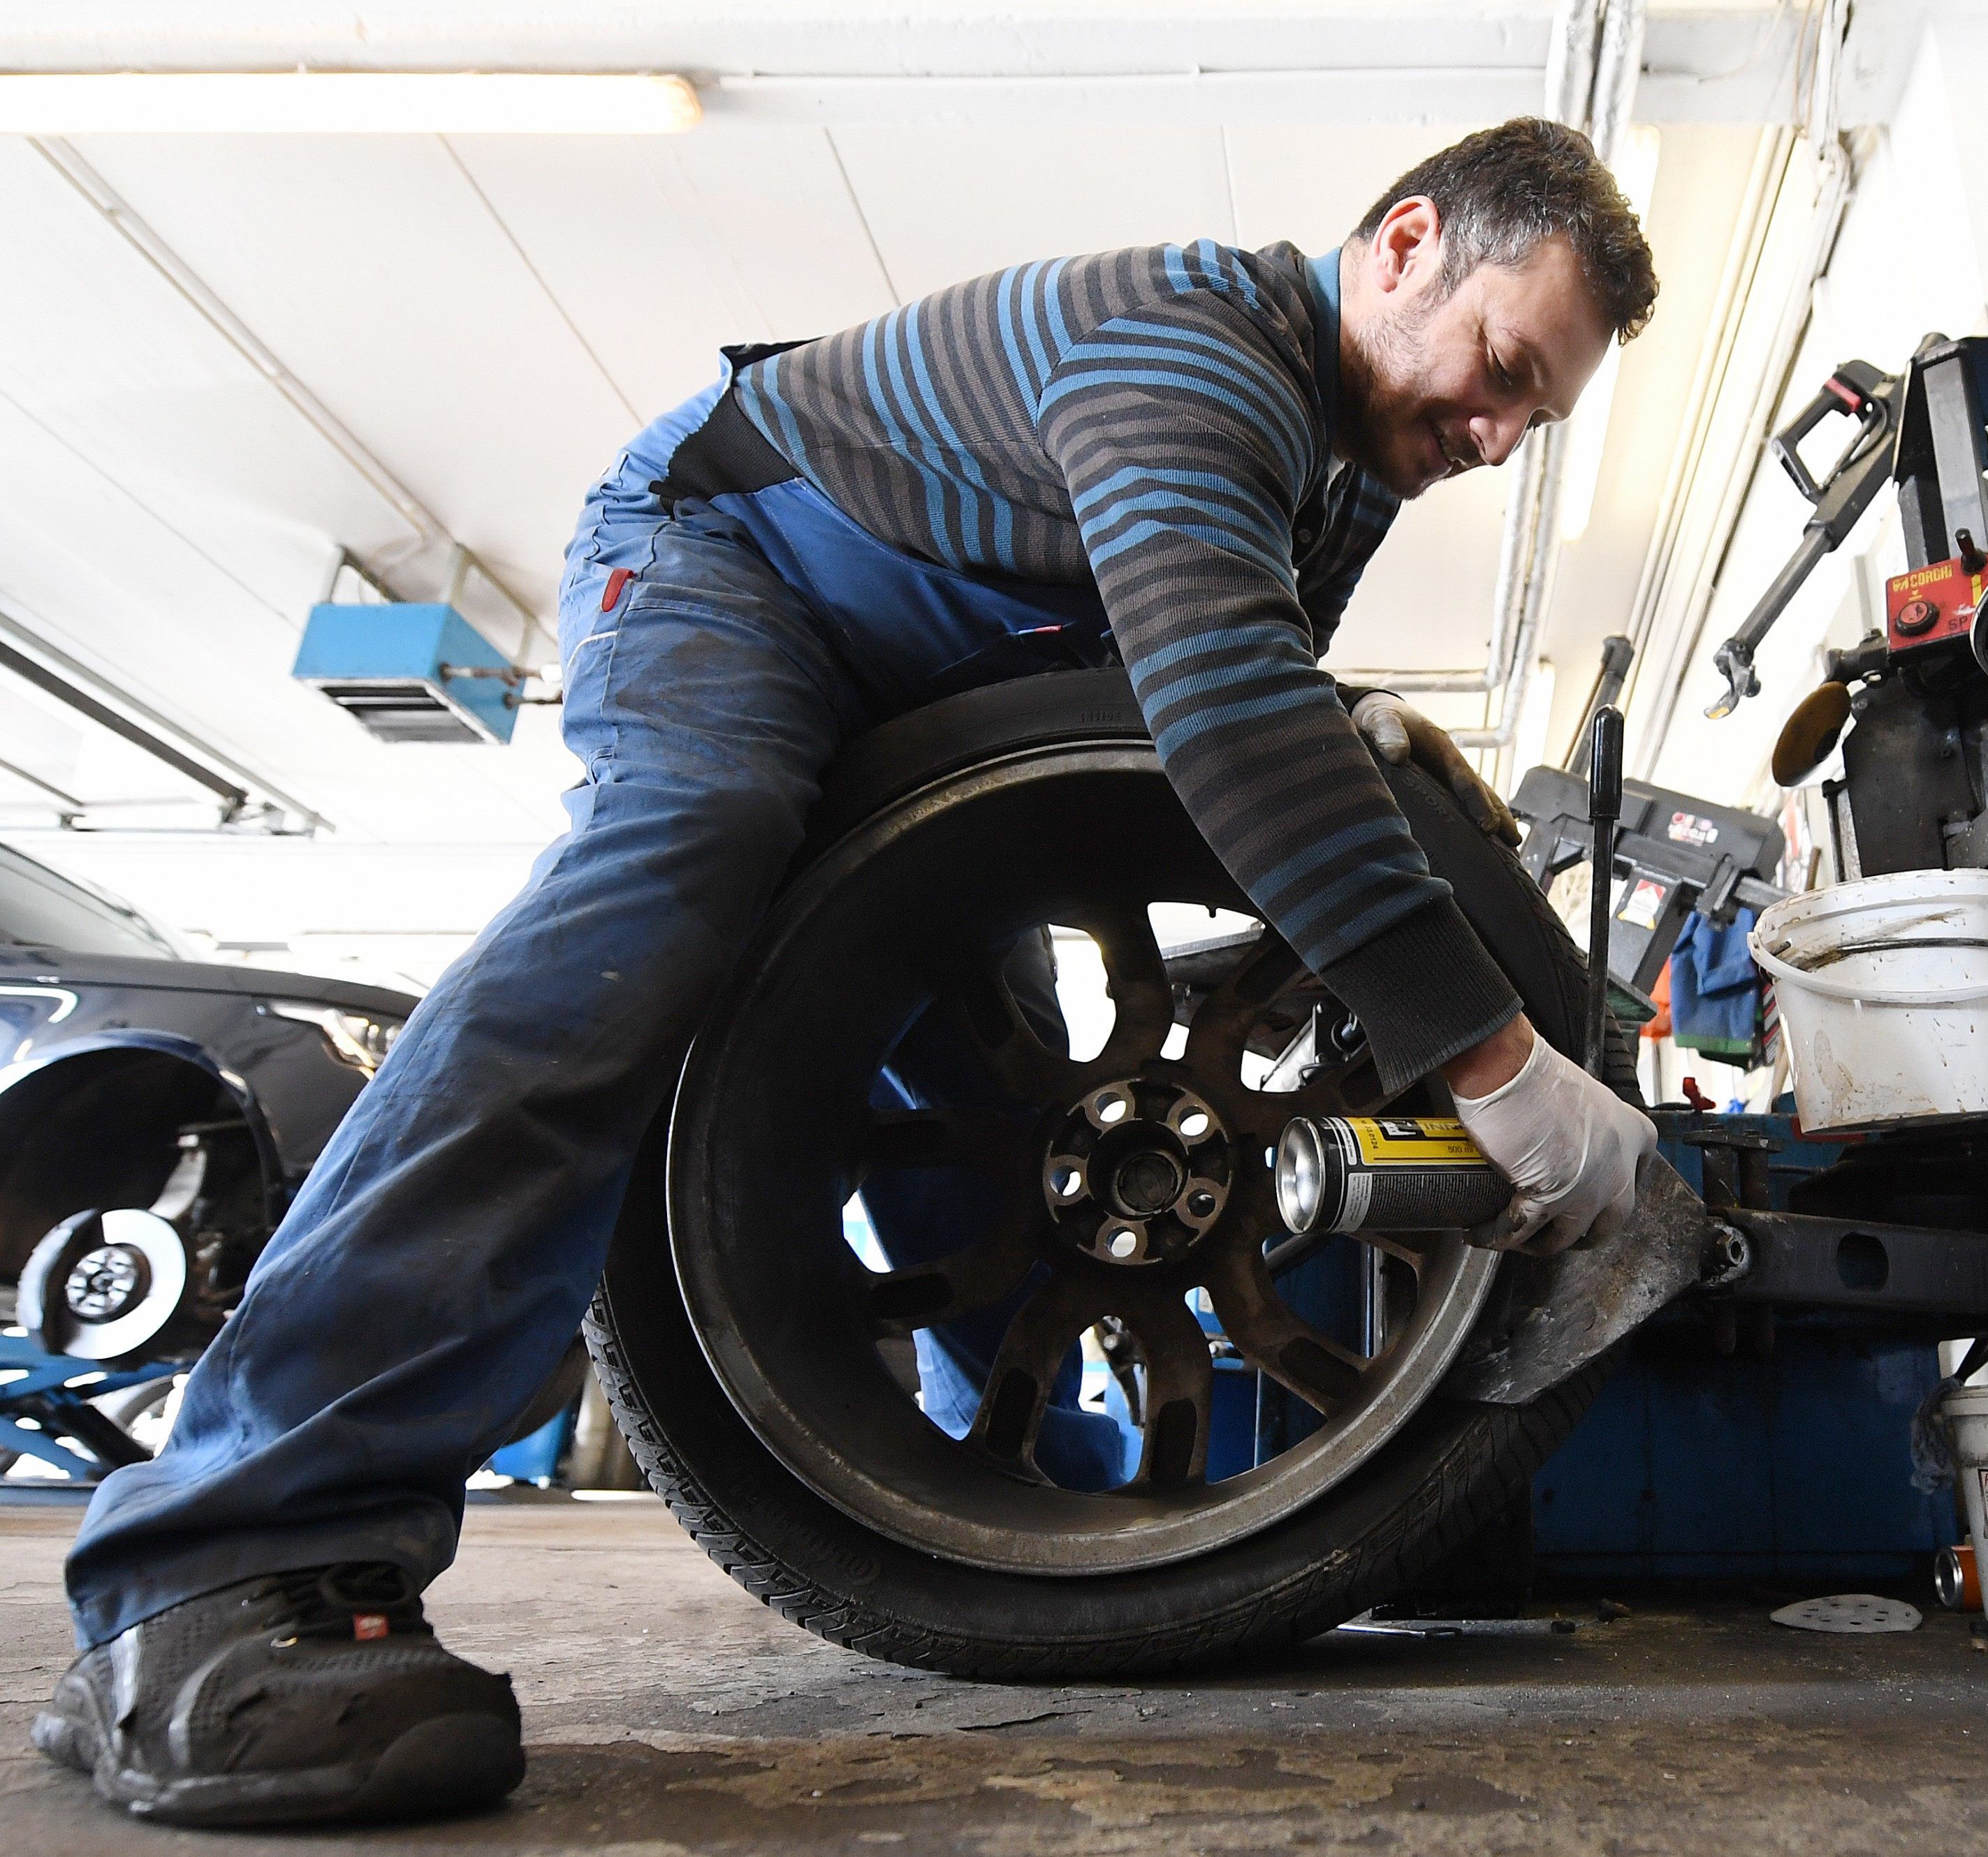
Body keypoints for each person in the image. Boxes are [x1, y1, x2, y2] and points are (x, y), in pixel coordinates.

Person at [34, 115, 1661, 1828]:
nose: (1490, 436)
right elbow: (1221, 709)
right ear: (1403, 243)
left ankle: (1034, 1498)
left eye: (1526, 417)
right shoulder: (1195, 352)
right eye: (1495, 371)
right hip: (726, 566)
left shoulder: (1343, 472)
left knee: (987, 1071)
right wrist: (1490, 1061)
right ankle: (215, 1570)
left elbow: (1166, 746)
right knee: (679, 868)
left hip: (915, 695)